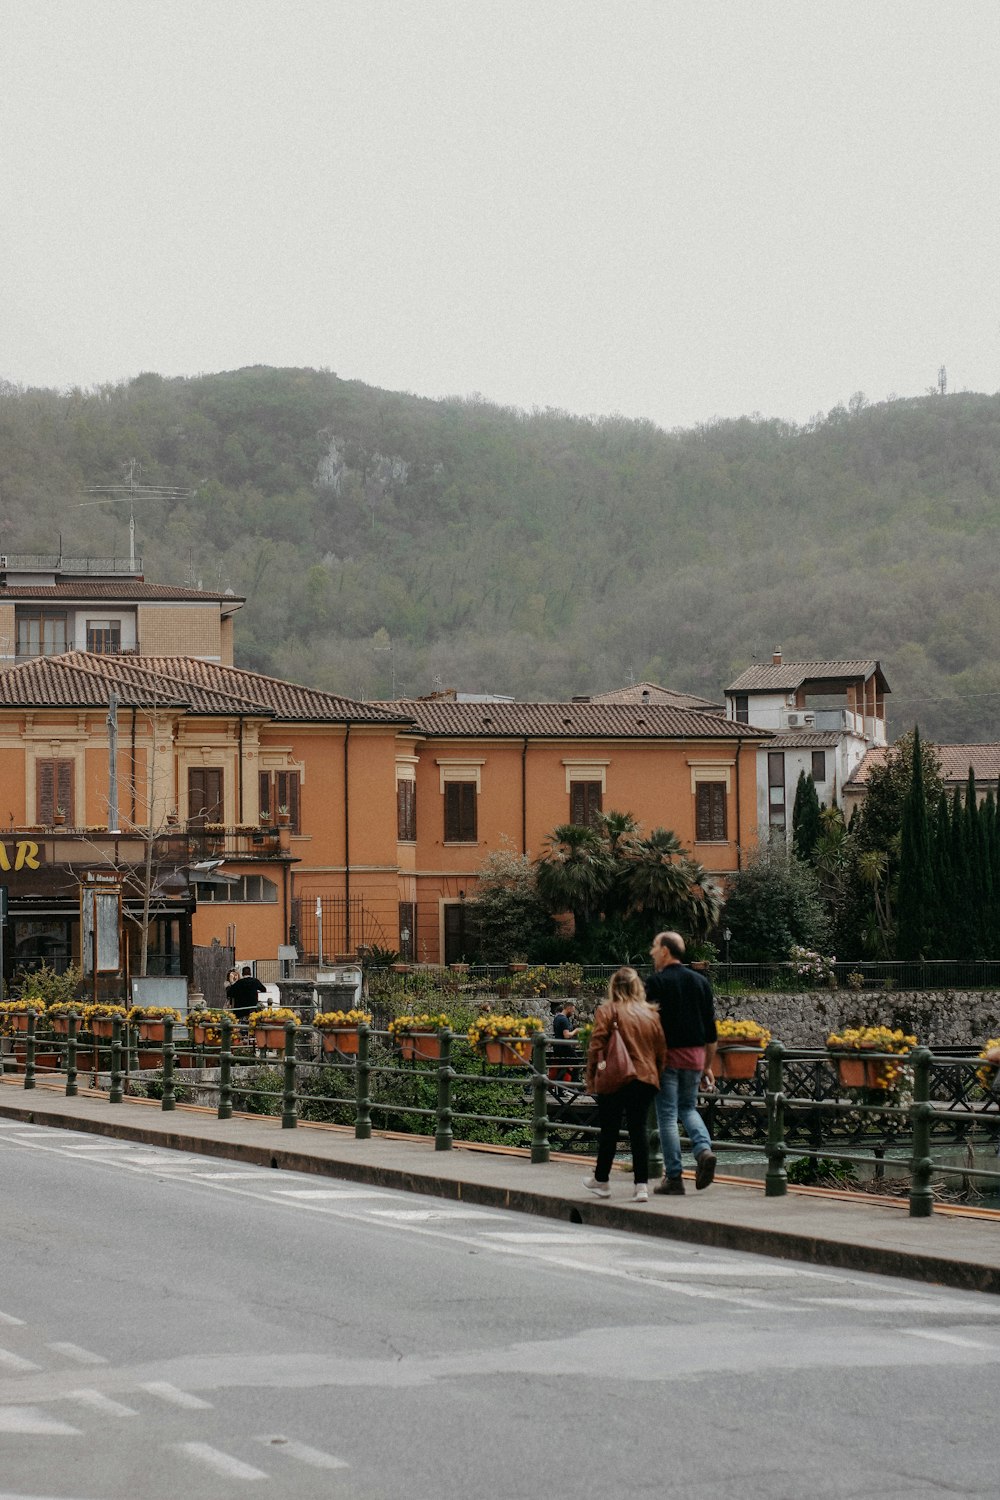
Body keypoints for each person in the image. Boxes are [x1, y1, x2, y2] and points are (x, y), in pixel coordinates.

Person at [583, 967, 667, 1204]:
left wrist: (593, 1076)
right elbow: (661, 1050)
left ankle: (602, 1180)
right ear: (637, 986)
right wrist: (656, 1075)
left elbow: (596, 1047)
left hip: (617, 1076)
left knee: (609, 1129)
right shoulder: (651, 1013)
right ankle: (641, 1186)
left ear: (614, 987)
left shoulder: (608, 1010)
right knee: (638, 1130)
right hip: (646, 1078)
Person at [646, 930, 718, 1195]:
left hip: (666, 1058)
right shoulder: (700, 982)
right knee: (688, 1108)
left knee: (666, 1115)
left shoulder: (655, 983)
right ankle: (703, 1150)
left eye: (655, 947)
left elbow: (646, 1026)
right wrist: (707, 1066)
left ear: (665, 951)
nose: (652, 952)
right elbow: (711, 1032)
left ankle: (674, 1177)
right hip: (696, 1055)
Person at [550, 1000, 579, 1082]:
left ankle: (560, 1087)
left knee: (563, 1066)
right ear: (568, 1009)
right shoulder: (564, 1020)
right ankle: (575, 1083)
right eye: (572, 1011)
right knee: (575, 1061)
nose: (573, 1013)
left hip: (557, 1046)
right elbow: (566, 1035)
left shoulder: (557, 1018)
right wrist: (575, 1031)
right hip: (564, 1047)